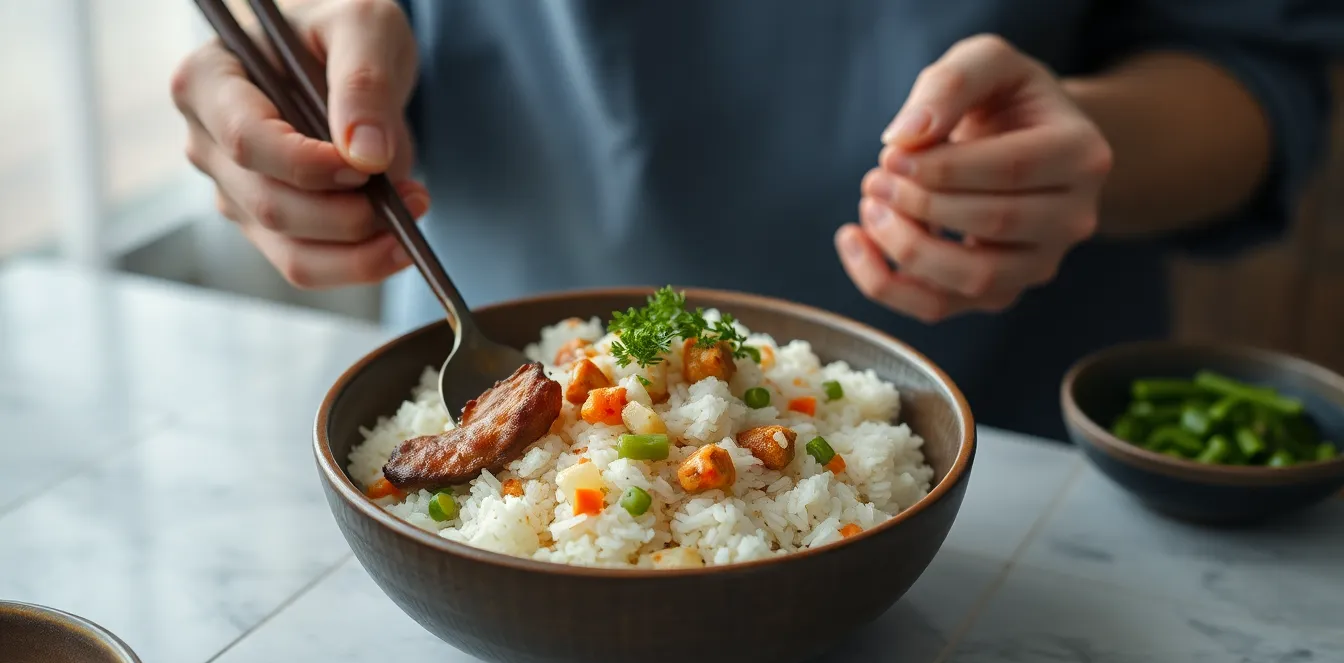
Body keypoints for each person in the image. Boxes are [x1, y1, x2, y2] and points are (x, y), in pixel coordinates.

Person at [170, 0, 1342, 440]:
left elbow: (1257, 64)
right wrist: (304, 57)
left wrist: (1086, 147)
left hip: (1000, 424)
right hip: (470, 332)